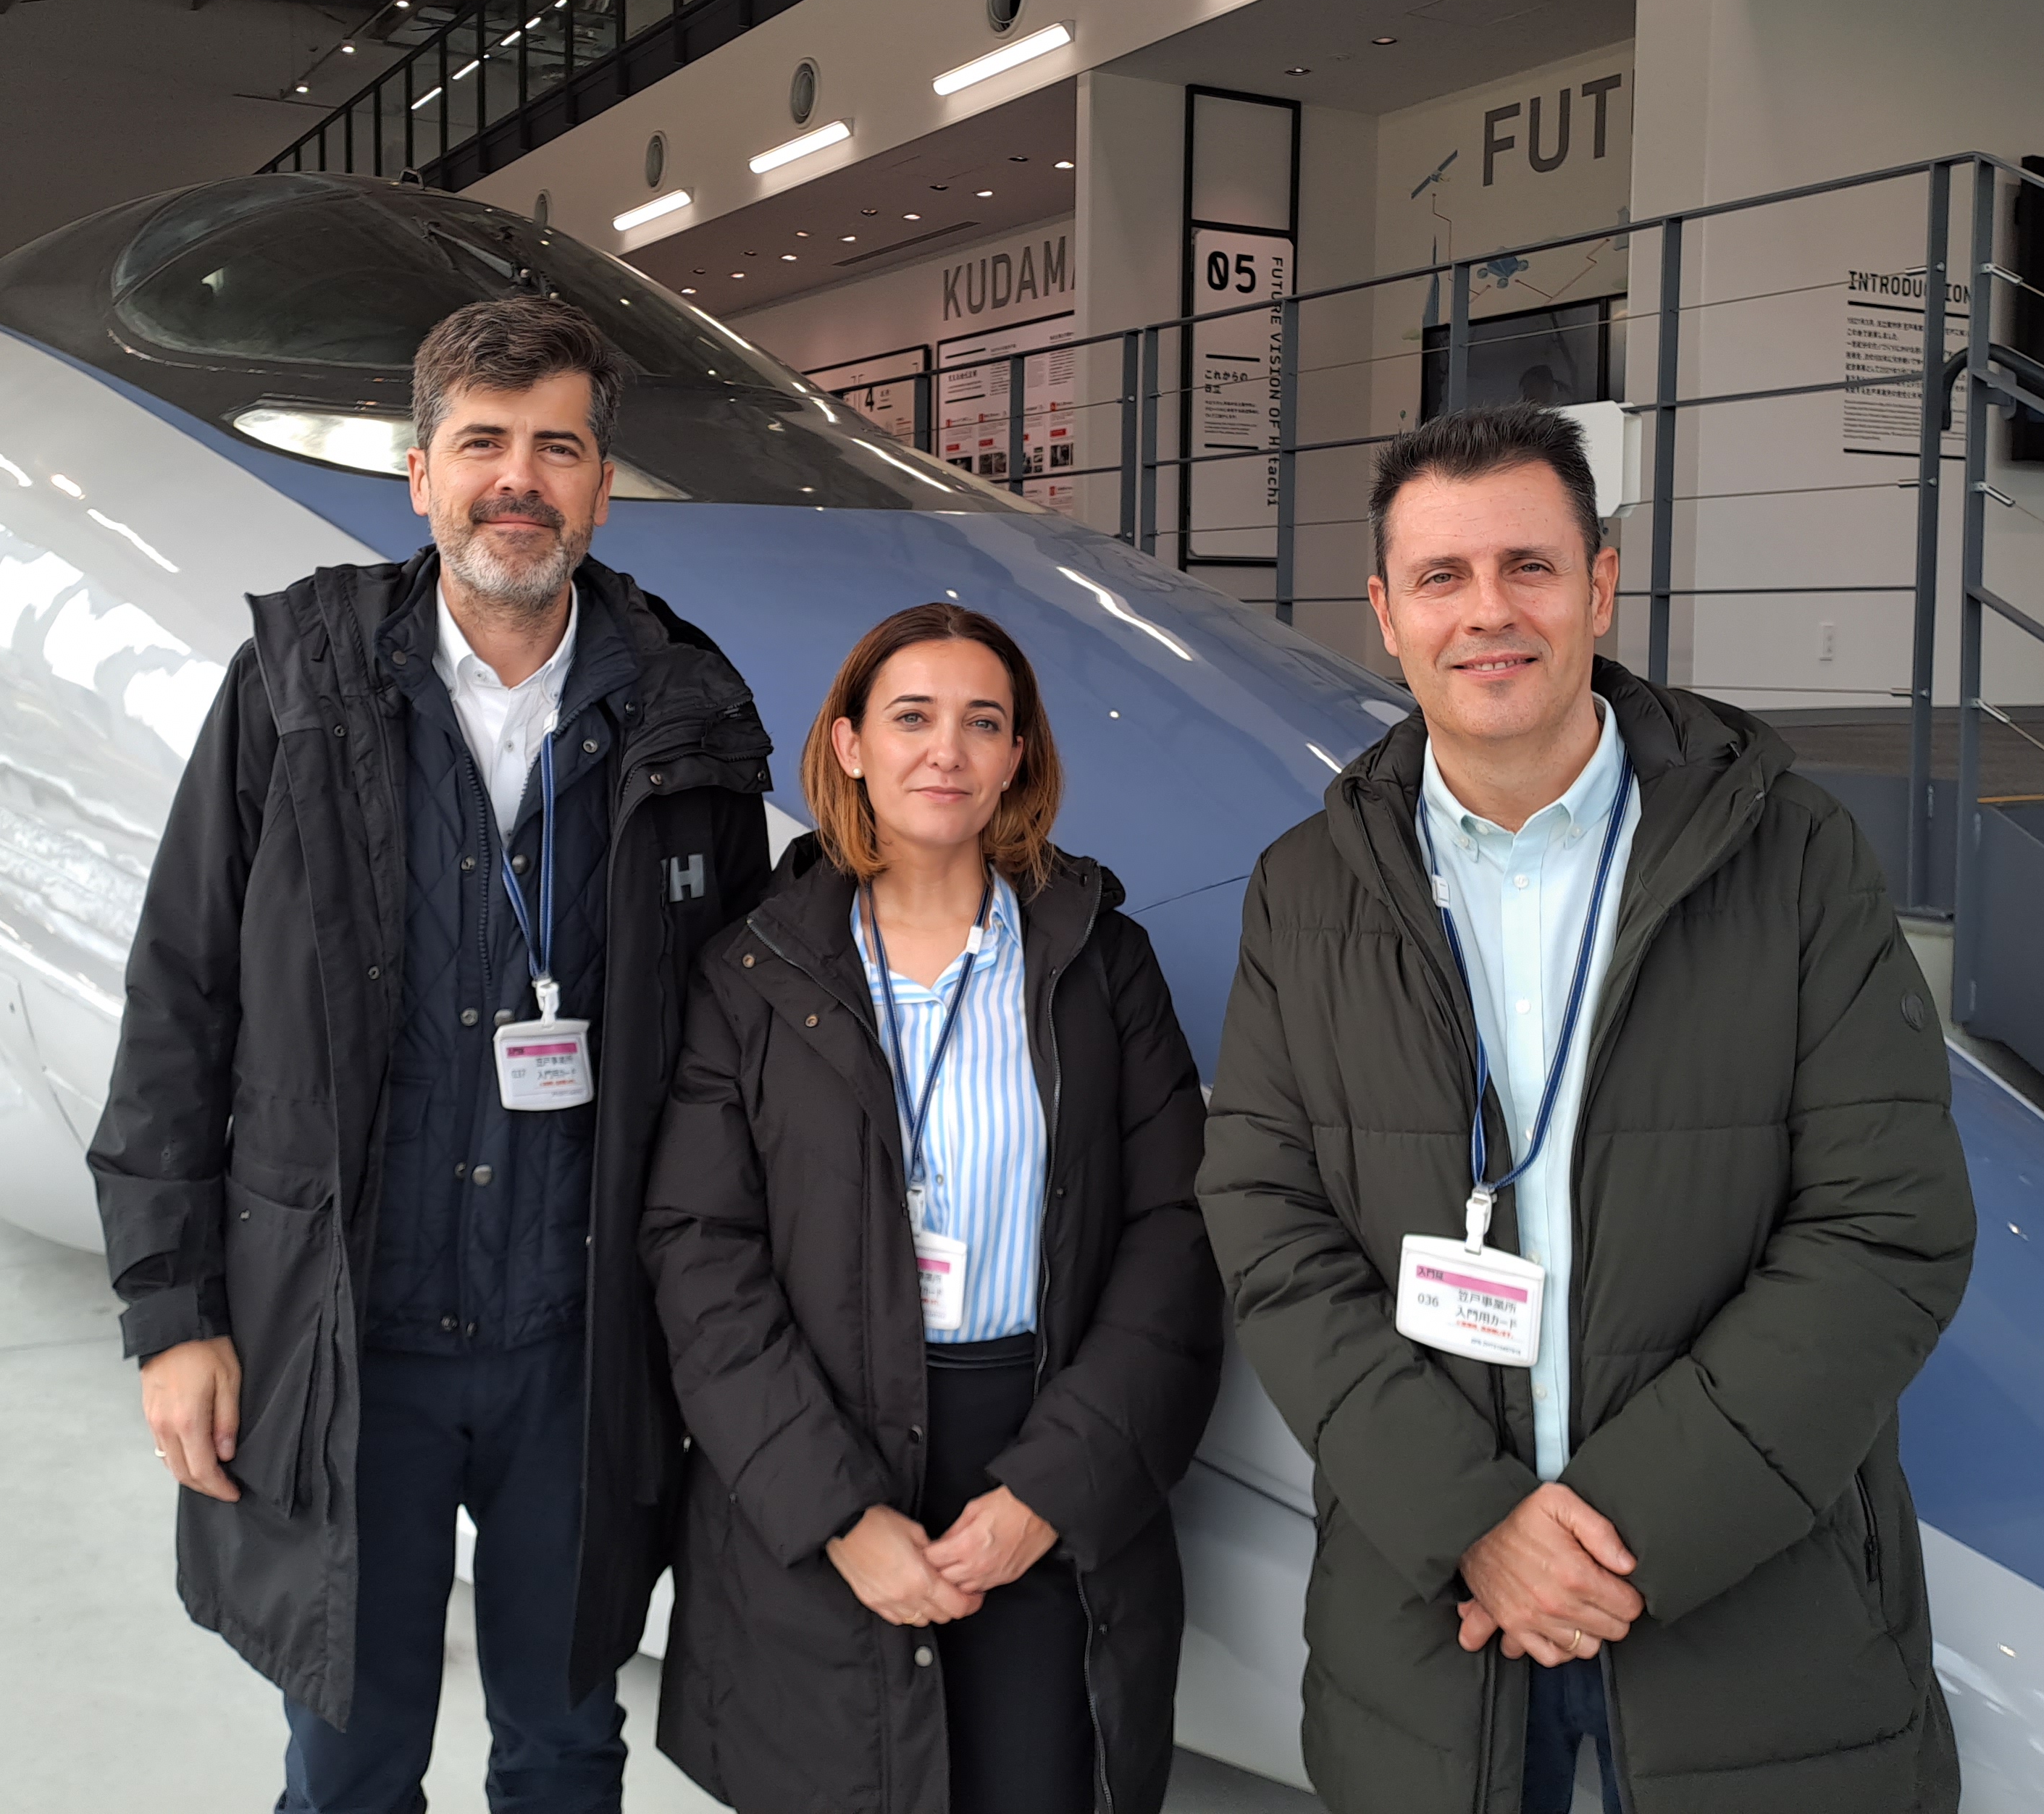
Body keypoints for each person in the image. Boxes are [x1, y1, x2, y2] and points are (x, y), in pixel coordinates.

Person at [1198, 404, 1974, 1814]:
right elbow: (1265, 1228)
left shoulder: (1790, 855)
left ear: (1598, 586)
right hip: (1430, 1626)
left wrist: (1610, 1536)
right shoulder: (1303, 889)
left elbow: (1887, 1226)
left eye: (1527, 567)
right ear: (1383, 614)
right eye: (1439, 578)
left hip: (1745, 1619)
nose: (1485, 613)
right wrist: (1475, 1523)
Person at [88, 295, 776, 1814]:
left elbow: (741, 1059)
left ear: (601, 484)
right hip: (347, 1329)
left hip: (578, 1341)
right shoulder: (297, 682)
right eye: (482, 443)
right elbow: (180, 994)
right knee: (348, 1743)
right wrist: (171, 1311)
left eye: (557, 446)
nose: (516, 479)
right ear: (420, 475)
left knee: (560, 1737)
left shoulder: (690, 716)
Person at [642, 603, 1223, 1814]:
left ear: (1019, 757)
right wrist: (840, 1514)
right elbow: (701, 1255)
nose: (945, 751)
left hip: (1041, 1452)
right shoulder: (752, 972)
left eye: (983, 723)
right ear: (849, 742)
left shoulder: (1098, 963)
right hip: (820, 1466)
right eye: (911, 716)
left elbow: (1177, 1235)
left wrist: (1050, 1495)